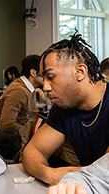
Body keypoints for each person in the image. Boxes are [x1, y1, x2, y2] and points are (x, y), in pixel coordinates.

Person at [22, 31, 108, 185]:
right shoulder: (64, 107)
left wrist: (75, 175)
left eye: (51, 77)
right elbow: (33, 150)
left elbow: (104, 174)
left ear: (80, 72)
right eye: (43, 79)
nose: (46, 87)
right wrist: (50, 174)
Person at [0, 55, 43, 134]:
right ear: (33, 72)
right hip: (9, 141)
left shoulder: (29, 89)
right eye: (44, 71)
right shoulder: (19, 91)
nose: (47, 75)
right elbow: (6, 125)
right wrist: (33, 132)